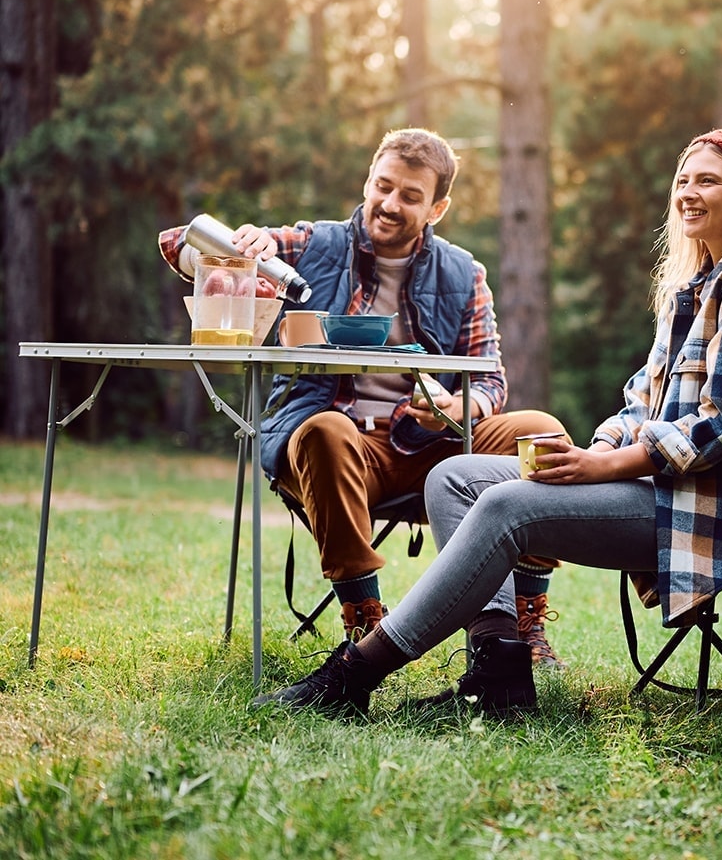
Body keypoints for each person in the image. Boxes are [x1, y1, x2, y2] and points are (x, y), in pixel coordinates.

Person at [250, 127, 722, 718]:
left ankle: (354, 676)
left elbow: (717, 427)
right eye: (683, 179)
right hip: (645, 484)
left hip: (697, 505)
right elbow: (641, 400)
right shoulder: (692, 286)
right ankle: (501, 668)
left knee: (507, 504)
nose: (687, 192)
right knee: (453, 478)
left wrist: (597, 464)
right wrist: (595, 452)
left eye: (708, 180)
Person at [158, 128, 567, 665]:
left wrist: (457, 408)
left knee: (541, 432)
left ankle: (522, 624)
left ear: (438, 207)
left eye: (411, 196)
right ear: (368, 181)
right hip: (335, 446)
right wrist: (240, 246)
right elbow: (177, 241)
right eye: (384, 186)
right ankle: (367, 628)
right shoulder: (313, 244)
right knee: (328, 430)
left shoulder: (465, 273)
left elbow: (490, 379)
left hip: (431, 444)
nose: (390, 204)